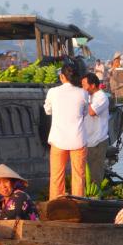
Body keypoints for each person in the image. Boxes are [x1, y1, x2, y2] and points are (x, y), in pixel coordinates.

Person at [44, 64, 88, 200]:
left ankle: (56, 206)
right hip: (78, 139)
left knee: (57, 176)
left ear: (62, 77)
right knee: (78, 176)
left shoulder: (52, 92)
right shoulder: (83, 93)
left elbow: (47, 110)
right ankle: (79, 205)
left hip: (58, 140)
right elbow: (85, 112)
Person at [81, 73, 110, 184]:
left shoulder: (101, 97)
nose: (83, 87)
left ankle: (96, 197)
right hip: (87, 141)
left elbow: (92, 112)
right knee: (86, 175)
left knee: (95, 175)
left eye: (84, 85)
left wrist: (84, 98)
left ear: (93, 85)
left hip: (98, 141)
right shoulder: (89, 96)